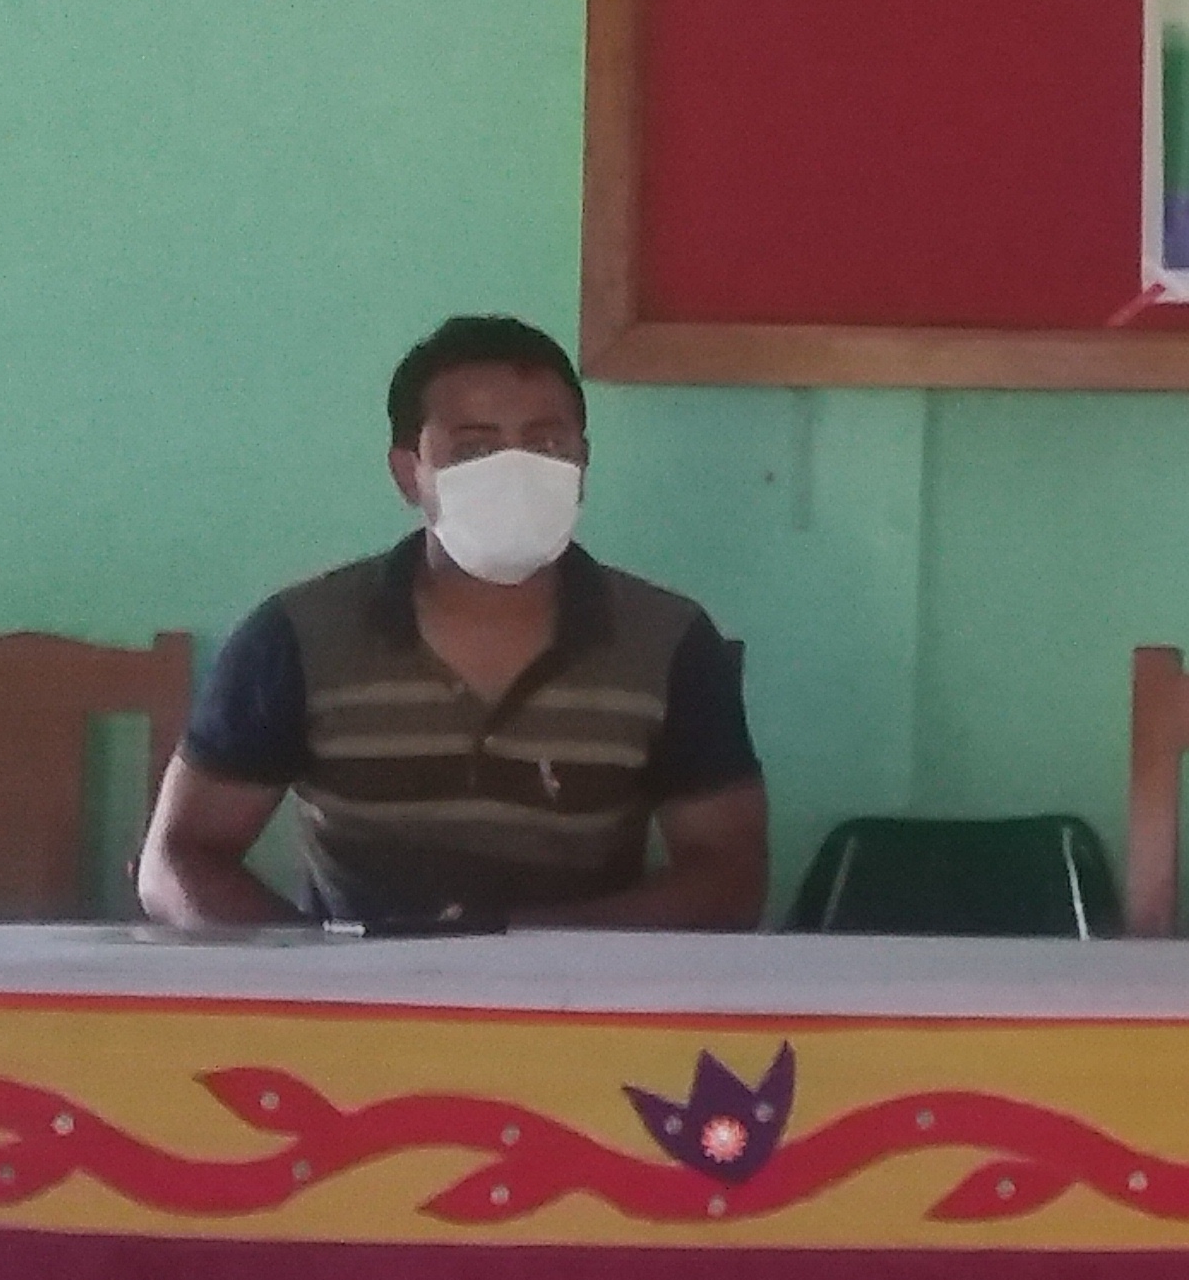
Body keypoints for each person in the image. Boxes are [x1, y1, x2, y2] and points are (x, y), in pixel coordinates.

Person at [136, 316, 768, 931]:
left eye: (548, 444)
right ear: (408, 473)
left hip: (577, 987)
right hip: (360, 991)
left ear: (583, 463)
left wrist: (522, 951)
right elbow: (177, 861)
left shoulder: (669, 641)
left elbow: (731, 877)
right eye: (474, 448)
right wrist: (319, 969)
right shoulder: (298, 637)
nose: (516, 471)